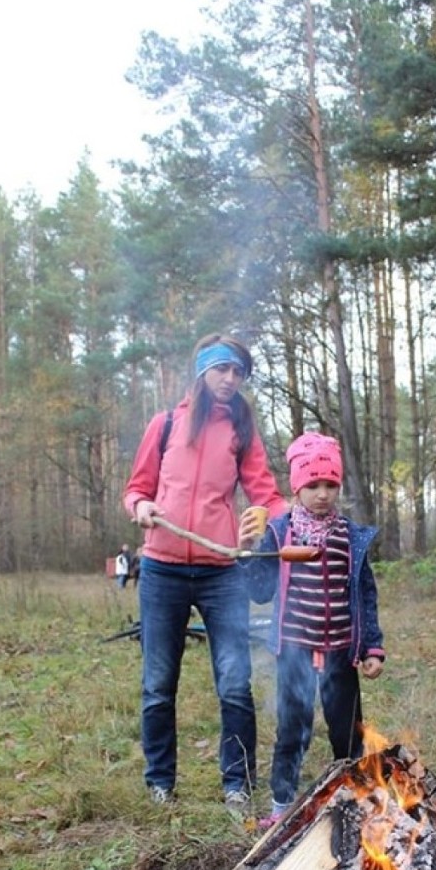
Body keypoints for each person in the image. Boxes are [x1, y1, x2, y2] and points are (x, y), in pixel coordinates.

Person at [123, 333, 287, 812]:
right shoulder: (166, 424)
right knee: (158, 683)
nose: (230, 380)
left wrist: (271, 519)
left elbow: (268, 496)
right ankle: (160, 782)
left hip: (223, 572)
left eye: (238, 372)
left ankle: (237, 783)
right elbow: (135, 489)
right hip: (162, 570)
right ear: (202, 371)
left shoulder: (242, 432)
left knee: (235, 682)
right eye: (223, 370)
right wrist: (142, 506)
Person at [239, 431, 385, 828]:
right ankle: (282, 804)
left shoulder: (349, 538)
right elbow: (259, 589)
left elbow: (365, 595)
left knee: (348, 731)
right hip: (294, 650)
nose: (322, 493)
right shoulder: (279, 533)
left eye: (330, 485)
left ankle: (358, 798)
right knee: (292, 728)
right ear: (296, 488)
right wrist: (253, 549)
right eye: (313, 485)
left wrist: (372, 647)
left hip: (340, 651)